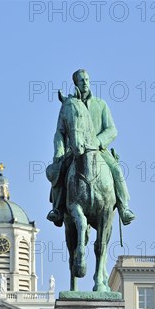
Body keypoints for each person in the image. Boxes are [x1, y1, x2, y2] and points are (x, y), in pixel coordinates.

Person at [47, 69, 135, 226]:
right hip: (73, 151)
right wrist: (58, 155)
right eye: (81, 80)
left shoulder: (100, 105)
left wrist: (98, 142)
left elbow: (112, 129)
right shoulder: (69, 105)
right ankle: (58, 209)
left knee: (116, 169)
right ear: (75, 84)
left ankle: (124, 208)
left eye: (86, 79)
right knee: (59, 172)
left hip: (99, 151)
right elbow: (59, 132)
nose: (85, 82)